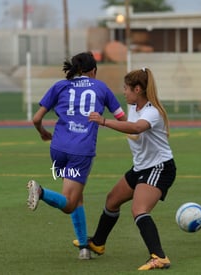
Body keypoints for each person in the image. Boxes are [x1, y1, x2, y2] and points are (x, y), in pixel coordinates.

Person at [26, 51, 127, 260]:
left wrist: (43, 133)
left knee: (76, 196)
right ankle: (41, 192)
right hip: (80, 150)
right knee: (70, 202)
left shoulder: (60, 86)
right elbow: (121, 117)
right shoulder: (100, 87)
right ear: (94, 71)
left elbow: (36, 118)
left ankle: (83, 248)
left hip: (58, 148)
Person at [75, 67, 176, 270]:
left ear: (138, 89)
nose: (124, 91)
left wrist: (103, 121)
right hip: (141, 168)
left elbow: (137, 128)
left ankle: (159, 257)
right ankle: (98, 243)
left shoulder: (151, 111)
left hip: (159, 168)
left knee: (139, 209)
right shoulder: (134, 106)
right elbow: (128, 123)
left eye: (127, 88)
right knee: (112, 200)